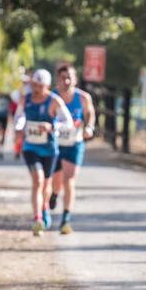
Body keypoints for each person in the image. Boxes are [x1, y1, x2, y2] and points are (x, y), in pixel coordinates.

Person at [13, 69, 72, 236]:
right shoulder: (26, 99)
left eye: (39, 85)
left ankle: (44, 207)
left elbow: (67, 122)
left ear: (47, 85)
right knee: (37, 181)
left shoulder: (54, 101)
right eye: (33, 85)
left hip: (49, 149)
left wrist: (52, 127)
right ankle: (37, 219)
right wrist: (19, 127)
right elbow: (19, 117)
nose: (36, 89)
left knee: (46, 184)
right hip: (30, 147)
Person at [49, 64, 95, 234]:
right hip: (54, 144)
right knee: (55, 180)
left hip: (74, 143)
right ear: (58, 80)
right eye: (63, 78)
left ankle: (65, 220)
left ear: (75, 79)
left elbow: (90, 114)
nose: (66, 81)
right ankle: (54, 194)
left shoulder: (83, 97)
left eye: (70, 77)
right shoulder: (51, 97)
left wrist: (89, 127)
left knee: (69, 180)